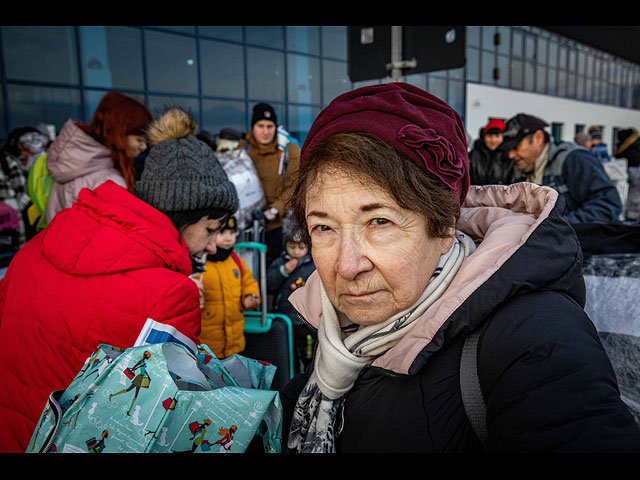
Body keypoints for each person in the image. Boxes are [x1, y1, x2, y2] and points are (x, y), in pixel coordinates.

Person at [278, 82, 640, 453]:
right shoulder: (336, 330)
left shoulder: (531, 338)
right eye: (323, 227)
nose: (346, 265)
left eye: (380, 222)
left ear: (445, 228)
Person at [0, 107, 239, 453]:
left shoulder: (42, 243)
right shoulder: (172, 293)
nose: (214, 245)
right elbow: (166, 415)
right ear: (183, 215)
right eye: (211, 229)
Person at [45, 91, 152, 225]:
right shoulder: (108, 181)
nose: (144, 147)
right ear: (119, 134)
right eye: (139, 139)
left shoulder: (70, 164)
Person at [503, 113, 622, 224]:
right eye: (508, 149)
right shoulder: (519, 166)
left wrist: (560, 228)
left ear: (538, 138)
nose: (511, 155)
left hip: (583, 243)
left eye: (516, 147)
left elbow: (607, 205)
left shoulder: (575, 159)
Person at [240, 103, 300, 265]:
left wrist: (274, 210)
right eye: (260, 126)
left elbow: (296, 185)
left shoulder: (288, 149)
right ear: (253, 127)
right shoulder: (243, 148)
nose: (265, 131)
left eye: (269, 126)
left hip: (278, 225)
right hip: (247, 226)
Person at [199, 215, 261, 359]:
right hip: (207, 343)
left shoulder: (236, 260)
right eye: (222, 233)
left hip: (235, 340)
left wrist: (251, 295)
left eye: (232, 233)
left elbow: (248, 281)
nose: (228, 238)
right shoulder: (200, 262)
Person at [266, 227, 316, 373]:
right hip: (284, 317)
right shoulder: (279, 262)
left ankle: (308, 376)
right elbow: (269, 284)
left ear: (308, 247)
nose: (296, 251)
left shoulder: (313, 265)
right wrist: (283, 271)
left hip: (306, 320)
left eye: (301, 247)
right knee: (287, 353)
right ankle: (290, 377)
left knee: (308, 353)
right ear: (285, 245)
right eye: (292, 247)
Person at [0, 127, 48, 245]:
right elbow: (10, 203)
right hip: (21, 226)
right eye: (22, 150)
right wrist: (28, 198)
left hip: (40, 223)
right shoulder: (7, 163)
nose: (23, 154)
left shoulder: (46, 165)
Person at [468, 118, 516, 185]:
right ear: (484, 137)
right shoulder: (473, 156)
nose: (493, 140)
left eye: (497, 136)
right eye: (490, 136)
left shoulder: (510, 156)